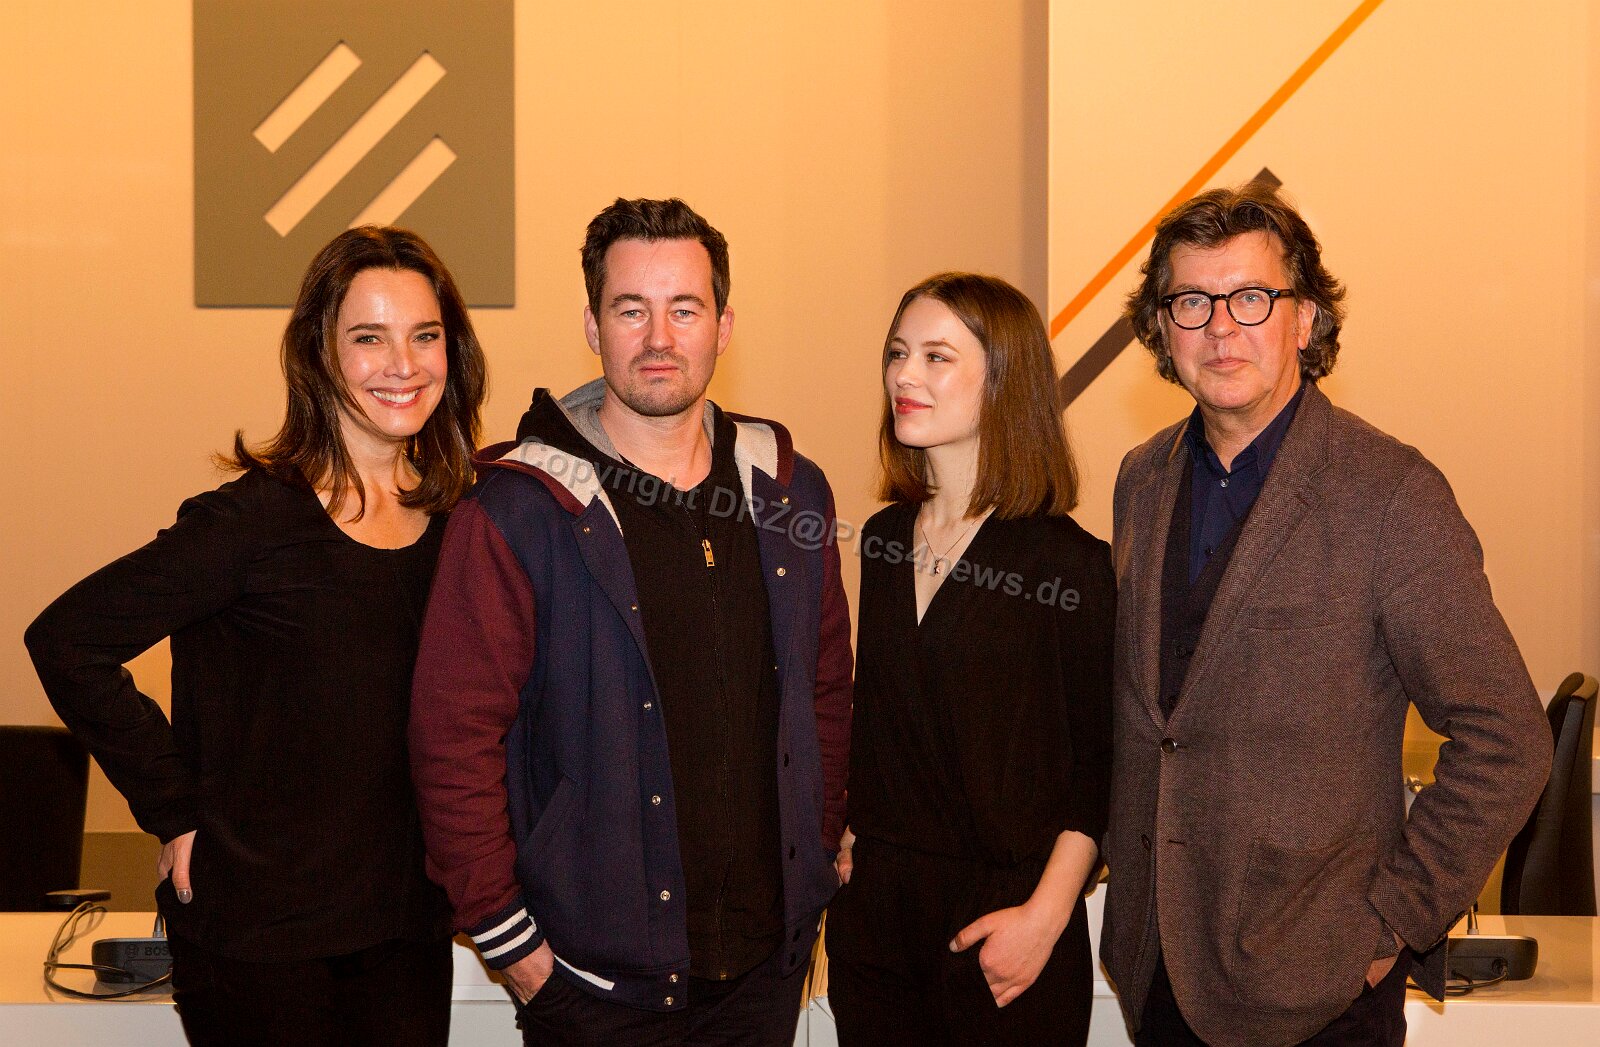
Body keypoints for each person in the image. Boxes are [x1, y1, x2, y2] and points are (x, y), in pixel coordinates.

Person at [1099, 183, 1552, 1047]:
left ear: (1304, 319)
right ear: (1162, 328)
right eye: (1192, 301)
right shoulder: (1141, 479)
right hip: (1158, 973)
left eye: (1251, 298)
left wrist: (1389, 927)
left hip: (1321, 992)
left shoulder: (1390, 493)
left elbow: (1508, 737)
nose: (1220, 328)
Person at [25, 226, 488, 1046]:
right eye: (369, 337)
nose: (403, 364)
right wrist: (172, 807)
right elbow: (67, 640)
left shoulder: (462, 526)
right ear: (319, 352)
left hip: (406, 941)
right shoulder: (249, 523)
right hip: (259, 948)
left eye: (425, 335)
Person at [407, 197, 852, 1047]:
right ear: (592, 325)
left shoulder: (790, 490)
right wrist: (513, 944)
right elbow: (451, 736)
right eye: (630, 309)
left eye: (684, 309)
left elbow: (826, 687)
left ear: (723, 327)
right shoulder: (517, 510)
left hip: (764, 976)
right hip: (591, 988)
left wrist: (819, 846)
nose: (658, 337)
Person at [825, 272, 1114, 1046]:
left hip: (1007, 935)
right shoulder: (884, 541)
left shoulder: (1070, 563)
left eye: (936, 356)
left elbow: (1099, 771)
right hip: (877, 937)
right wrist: (850, 830)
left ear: (1004, 382)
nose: (904, 375)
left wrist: (1045, 918)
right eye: (897, 353)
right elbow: (879, 718)